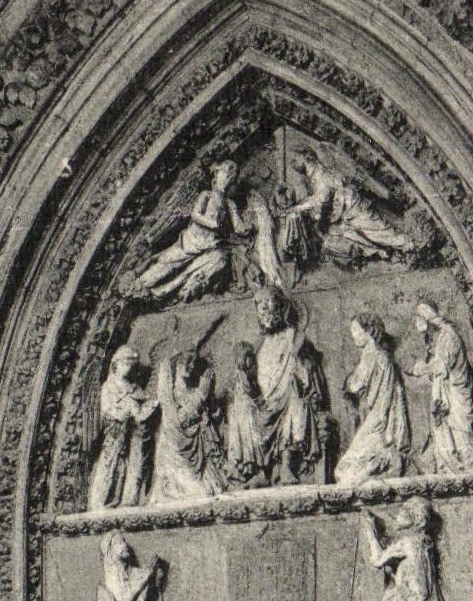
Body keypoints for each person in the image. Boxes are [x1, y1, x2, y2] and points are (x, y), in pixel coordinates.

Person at [123, 160, 256, 301]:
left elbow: (239, 227)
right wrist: (212, 223)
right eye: (226, 174)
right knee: (170, 262)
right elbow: (195, 214)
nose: (228, 179)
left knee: (217, 260)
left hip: (211, 243)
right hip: (192, 239)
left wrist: (250, 225)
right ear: (216, 174)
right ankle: (140, 285)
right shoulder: (207, 195)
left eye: (232, 177)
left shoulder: (230, 204)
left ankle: (167, 292)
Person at [252, 285, 328, 484]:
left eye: (268, 301)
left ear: (281, 306)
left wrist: (300, 361)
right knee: (243, 408)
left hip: (289, 394)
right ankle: (260, 471)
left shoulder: (294, 337)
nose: (264, 308)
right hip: (265, 399)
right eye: (259, 304)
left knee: (296, 403)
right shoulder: (260, 344)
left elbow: (309, 371)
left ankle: (287, 465)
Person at [282, 148, 413, 262]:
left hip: (353, 207)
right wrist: (299, 206)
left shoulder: (320, 173)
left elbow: (323, 198)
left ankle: (412, 243)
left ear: (306, 157)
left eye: (295, 158)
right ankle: (393, 249)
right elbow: (317, 197)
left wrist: (305, 210)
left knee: (380, 232)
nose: (292, 163)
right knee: (368, 235)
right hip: (346, 212)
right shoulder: (313, 175)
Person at [408, 299, 473, 473]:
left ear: (427, 317)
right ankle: (450, 468)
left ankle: (469, 467)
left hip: (455, 393)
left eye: (419, 317)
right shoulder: (441, 337)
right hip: (447, 392)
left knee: (459, 429)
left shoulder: (448, 336)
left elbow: (441, 366)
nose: (416, 321)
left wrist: (419, 369)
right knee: (445, 430)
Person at [334, 311, 410, 484]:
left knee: (345, 470)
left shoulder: (373, 355)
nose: (352, 334)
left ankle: (386, 464)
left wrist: (347, 382)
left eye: (355, 329)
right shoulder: (380, 355)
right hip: (378, 415)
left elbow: (356, 384)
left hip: (378, 417)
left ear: (368, 331)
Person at [150, 350, 226, 503]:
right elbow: (180, 421)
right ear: (175, 367)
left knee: (216, 489)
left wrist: (209, 396)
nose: (191, 366)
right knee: (201, 494)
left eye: (193, 362)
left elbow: (214, 417)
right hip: (178, 456)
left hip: (202, 454)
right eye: (187, 362)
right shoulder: (171, 395)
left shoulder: (192, 391)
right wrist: (202, 394)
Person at [86, 346, 157, 508]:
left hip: (131, 434)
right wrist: (117, 414)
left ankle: (118, 500)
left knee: (123, 468)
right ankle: (100, 503)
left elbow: (140, 410)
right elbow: (105, 410)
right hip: (115, 433)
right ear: (115, 365)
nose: (129, 367)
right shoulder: (109, 386)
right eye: (125, 363)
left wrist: (147, 408)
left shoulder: (135, 388)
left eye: (132, 364)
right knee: (109, 466)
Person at [224, 341, 267, 486]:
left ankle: (252, 468)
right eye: (245, 357)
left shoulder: (249, 375)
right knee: (240, 439)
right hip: (239, 412)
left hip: (247, 410)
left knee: (250, 438)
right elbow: (237, 392)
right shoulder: (238, 374)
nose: (248, 361)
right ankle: (244, 468)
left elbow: (251, 391)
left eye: (249, 357)